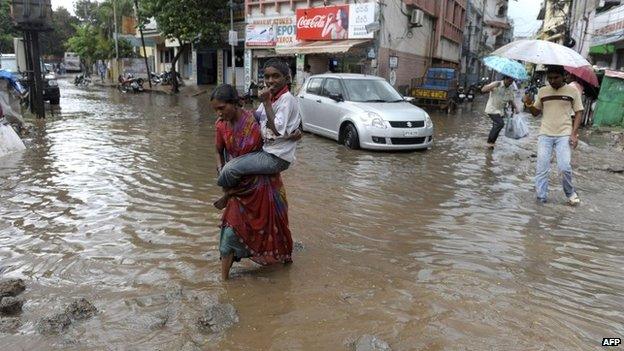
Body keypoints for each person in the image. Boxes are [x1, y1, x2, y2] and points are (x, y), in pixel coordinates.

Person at [211, 84, 293, 280]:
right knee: (230, 233)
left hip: (265, 186)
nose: (219, 114)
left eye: (222, 108)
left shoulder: (257, 119)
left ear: (235, 103)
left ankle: (286, 270)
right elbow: (217, 151)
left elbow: (279, 133)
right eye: (216, 110)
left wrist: (294, 134)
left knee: (276, 230)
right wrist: (221, 169)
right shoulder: (220, 126)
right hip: (239, 189)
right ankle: (224, 283)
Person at [214, 58, 302, 209]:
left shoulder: (285, 100)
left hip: (275, 157)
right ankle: (229, 193)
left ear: (287, 79)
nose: (270, 81)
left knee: (229, 169)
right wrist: (230, 114)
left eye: (275, 76)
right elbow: (255, 115)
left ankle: (229, 193)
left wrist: (266, 102)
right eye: (267, 77)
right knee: (231, 168)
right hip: (268, 152)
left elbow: (277, 129)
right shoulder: (272, 98)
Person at [524, 65, 583, 206]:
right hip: (545, 134)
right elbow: (536, 113)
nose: (552, 80)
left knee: (564, 167)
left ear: (564, 76)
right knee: (542, 168)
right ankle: (541, 197)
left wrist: (574, 134)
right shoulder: (543, 91)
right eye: (549, 78)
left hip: (564, 134)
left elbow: (579, 112)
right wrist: (528, 103)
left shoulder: (572, 91)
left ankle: (570, 193)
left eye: (556, 77)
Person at [481, 75, 519, 148]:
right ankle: (489, 142)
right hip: (492, 109)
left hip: (500, 111)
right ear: (505, 79)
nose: (510, 83)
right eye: (509, 81)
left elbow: (511, 99)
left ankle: (491, 144)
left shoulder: (510, 89)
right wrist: (493, 86)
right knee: (500, 123)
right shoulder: (497, 84)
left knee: (497, 126)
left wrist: (516, 108)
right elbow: (483, 90)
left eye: (512, 81)